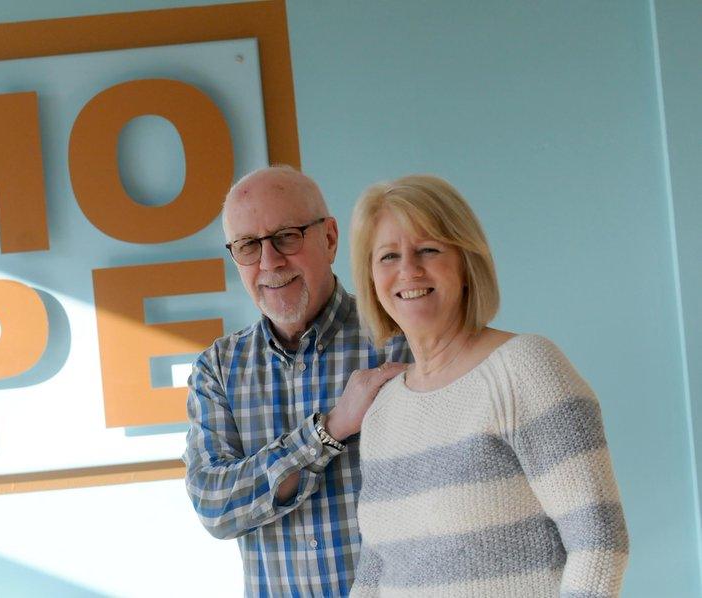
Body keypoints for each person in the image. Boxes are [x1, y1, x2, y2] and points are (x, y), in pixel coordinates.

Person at [348, 174, 629, 597]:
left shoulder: (526, 369)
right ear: (371, 278)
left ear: (465, 265)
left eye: (428, 249)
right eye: (388, 256)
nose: (408, 270)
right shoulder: (384, 410)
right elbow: (376, 568)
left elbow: (600, 539)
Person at [183, 165, 410, 597]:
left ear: (329, 238)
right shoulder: (218, 368)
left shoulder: (398, 339)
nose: (269, 262)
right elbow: (215, 507)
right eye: (248, 246)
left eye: (286, 236)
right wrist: (327, 431)